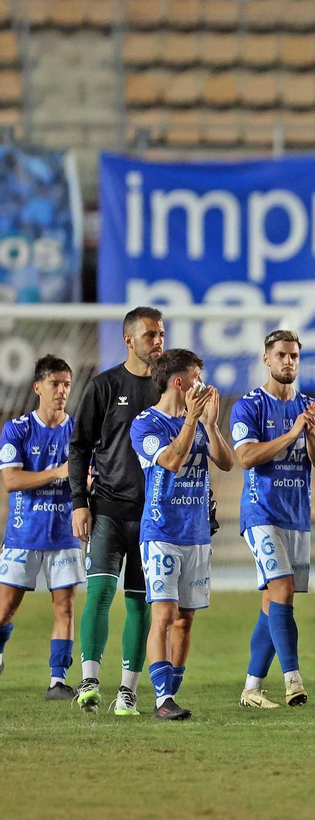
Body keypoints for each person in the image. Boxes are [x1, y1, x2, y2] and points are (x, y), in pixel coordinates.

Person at [68, 306, 164, 715]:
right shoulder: (105, 386)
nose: (158, 342)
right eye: (150, 336)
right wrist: (78, 503)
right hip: (106, 508)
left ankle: (128, 691)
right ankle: (89, 680)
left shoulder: (169, 390)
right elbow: (79, 446)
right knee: (101, 592)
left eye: (161, 334)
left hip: (153, 516)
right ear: (129, 340)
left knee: (141, 602)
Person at [132, 349, 237, 721]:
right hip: (161, 532)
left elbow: (226, 462)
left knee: (185, 619)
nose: (203, 385)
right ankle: (162, 700)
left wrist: (211, 425)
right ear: (180, 382)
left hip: (196, 533)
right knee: (163, 614)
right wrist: (191, 421)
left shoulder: (198, 419)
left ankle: (170, 695)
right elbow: (173, 461)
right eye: (197, 378)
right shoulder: (146, 425)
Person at [232, 330, 315, 709]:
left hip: (296, 516)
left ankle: (251, 689)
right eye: (281, 355)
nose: (288, 362)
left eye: (294, 356)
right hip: (261, 514)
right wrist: (291, 433)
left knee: (272, 602)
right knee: (283, 589)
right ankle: (293, 680)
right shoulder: (249, 406)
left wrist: (310, 433)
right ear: (266, 360)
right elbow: (246, 457)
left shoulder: (312, 407)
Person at [0, 355, 82, 699]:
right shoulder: (17, 429)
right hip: (24, 534)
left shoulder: (78, 430)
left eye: (66, 384)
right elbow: (11, 480)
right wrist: (56, 473)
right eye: (55, 384)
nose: (62, 390)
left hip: (65, 534)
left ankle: (57, 681)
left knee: (64, 607)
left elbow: (87, 476)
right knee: (6, 607)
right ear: (38, 387)